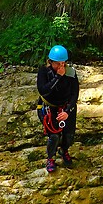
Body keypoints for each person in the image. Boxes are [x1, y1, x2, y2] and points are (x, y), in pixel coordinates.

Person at [36, 45, 79, 173]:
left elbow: (74, 94)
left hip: (65, 107)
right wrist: (58, 77)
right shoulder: (44, 72)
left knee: (69, 135)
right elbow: (43, 90)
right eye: (58, 64)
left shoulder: (70, 73)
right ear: (50, 62)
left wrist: (67, 111)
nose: (61, 67)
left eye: (63, 63)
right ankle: (51, 158)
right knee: (54, 136)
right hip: (49, 106)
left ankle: (64, 150)